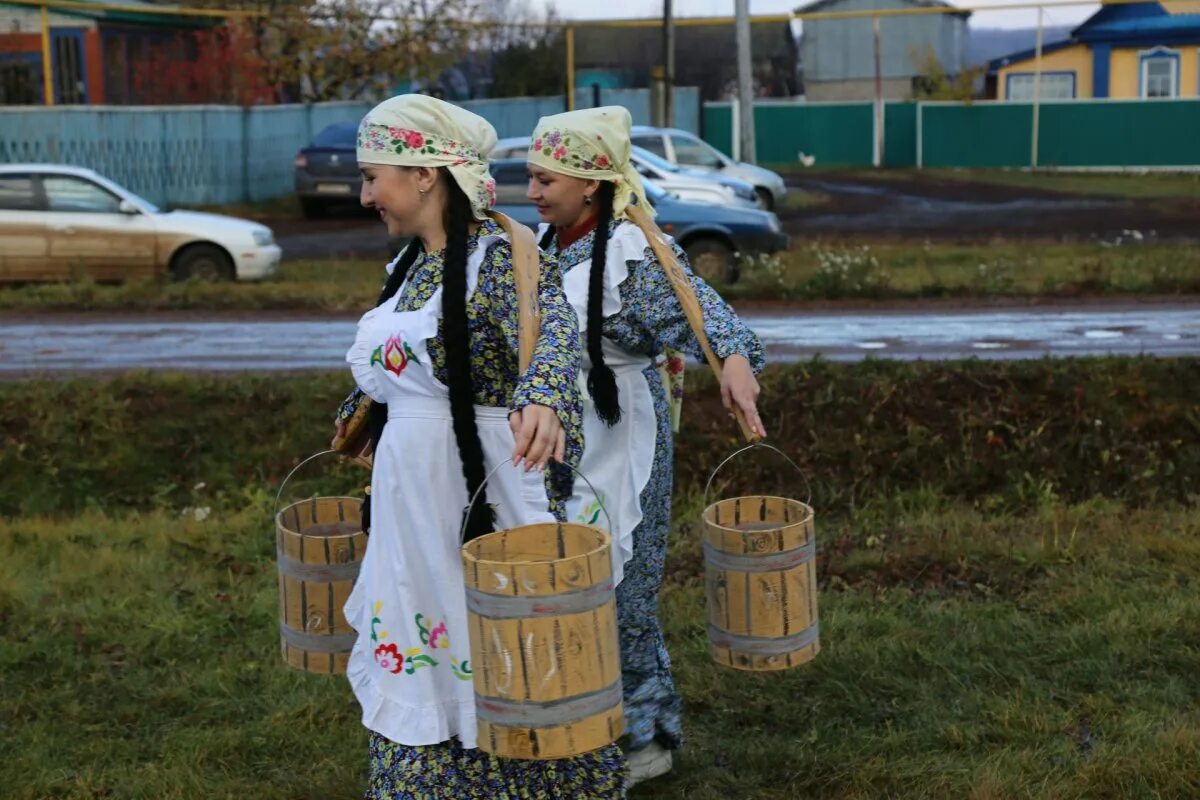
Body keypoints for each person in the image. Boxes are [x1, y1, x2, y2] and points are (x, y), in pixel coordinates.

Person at [337, 94, 625, 799]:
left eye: (376, 176)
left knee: (499, 642)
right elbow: (400, 367)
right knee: (424, 630)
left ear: (427, 175)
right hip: (413, 500)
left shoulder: (501, 257)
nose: (366, 193)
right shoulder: (411, 266)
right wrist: (363, 421)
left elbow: (555, 329)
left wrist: (546, 397)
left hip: (481, 490)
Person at [525, 106, 767, 785]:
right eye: (531, 177)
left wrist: (736, 364)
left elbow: (706, 314)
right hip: (555, 435)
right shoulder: (545, 244)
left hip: (620, 432)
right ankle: (571, 722)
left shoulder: (634, 253)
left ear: (592, 184)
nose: (535, 191)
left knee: (622, 589)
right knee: (564, 579)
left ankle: (643, 739)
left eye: (549, 179)